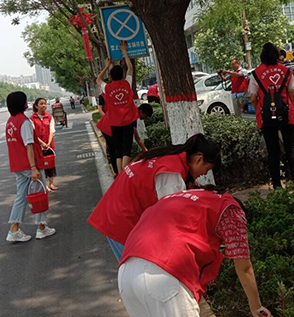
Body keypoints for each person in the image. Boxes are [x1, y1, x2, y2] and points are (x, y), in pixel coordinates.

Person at [118, 188, 272, 317]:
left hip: (126, 274)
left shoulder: (182, 197)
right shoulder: (231, 209)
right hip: (163, 276)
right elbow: (244, 268)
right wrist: (256, 307)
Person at [88, 134, 221, 261]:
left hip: (116, 211)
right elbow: (170, 219)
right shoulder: (172, 173)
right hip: (121, 221)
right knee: (136, 271)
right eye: (207, 169)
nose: (204, 174)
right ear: (199, 159)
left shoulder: (170, 157)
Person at [249, 42, 294, 189]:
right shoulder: (286, 71)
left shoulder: (256, 74)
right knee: (291, 150)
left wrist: (261, 108)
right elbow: (292, 95)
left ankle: (277, 186)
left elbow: (253, 98)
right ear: (277, 55)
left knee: (273, 152)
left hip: (266, 117)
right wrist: (293, 111)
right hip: (287, 114)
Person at [5, 91, 56, 243]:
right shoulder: (24, 122)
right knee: (40, 195)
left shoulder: (10, 122)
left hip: (17, 165)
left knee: (21, 197)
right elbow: (29, 145)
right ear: (21, 103)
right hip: (29, 165)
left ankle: (14, 229)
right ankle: (41, 227)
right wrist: (33, 168)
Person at [96, 41, 138, 172]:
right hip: (127, 122)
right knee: (126, 150)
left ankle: (120, 173)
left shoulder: (107, 88)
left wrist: (106, 66)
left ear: (110, 76)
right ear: (122, 75)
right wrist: (124, 51)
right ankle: (124, 173)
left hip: (114, 123)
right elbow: (130, 68)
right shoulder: (127, 83)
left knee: (118, 150)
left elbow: (98, 80)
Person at [31, 97, 58, 191]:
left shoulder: (49, 117)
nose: (44, 106)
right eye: (41, 104)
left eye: (45, 104)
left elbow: (52, 131)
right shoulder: (32, 119)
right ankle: (44, 185)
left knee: (51, 165)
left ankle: (51, 183)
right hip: (39, 147)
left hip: (49, 146)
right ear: (36, 106)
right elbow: (33, 134)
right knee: (41, 166)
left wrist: (49, 143)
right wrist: (42, 143)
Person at [97, 92, 118, 176]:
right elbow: (100, 109)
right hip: (107, 125)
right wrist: (107, 118)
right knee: (112, 147)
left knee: (117, 147)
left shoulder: (116, 94)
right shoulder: (102, 96)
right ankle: (116, 171)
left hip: (117, 123)